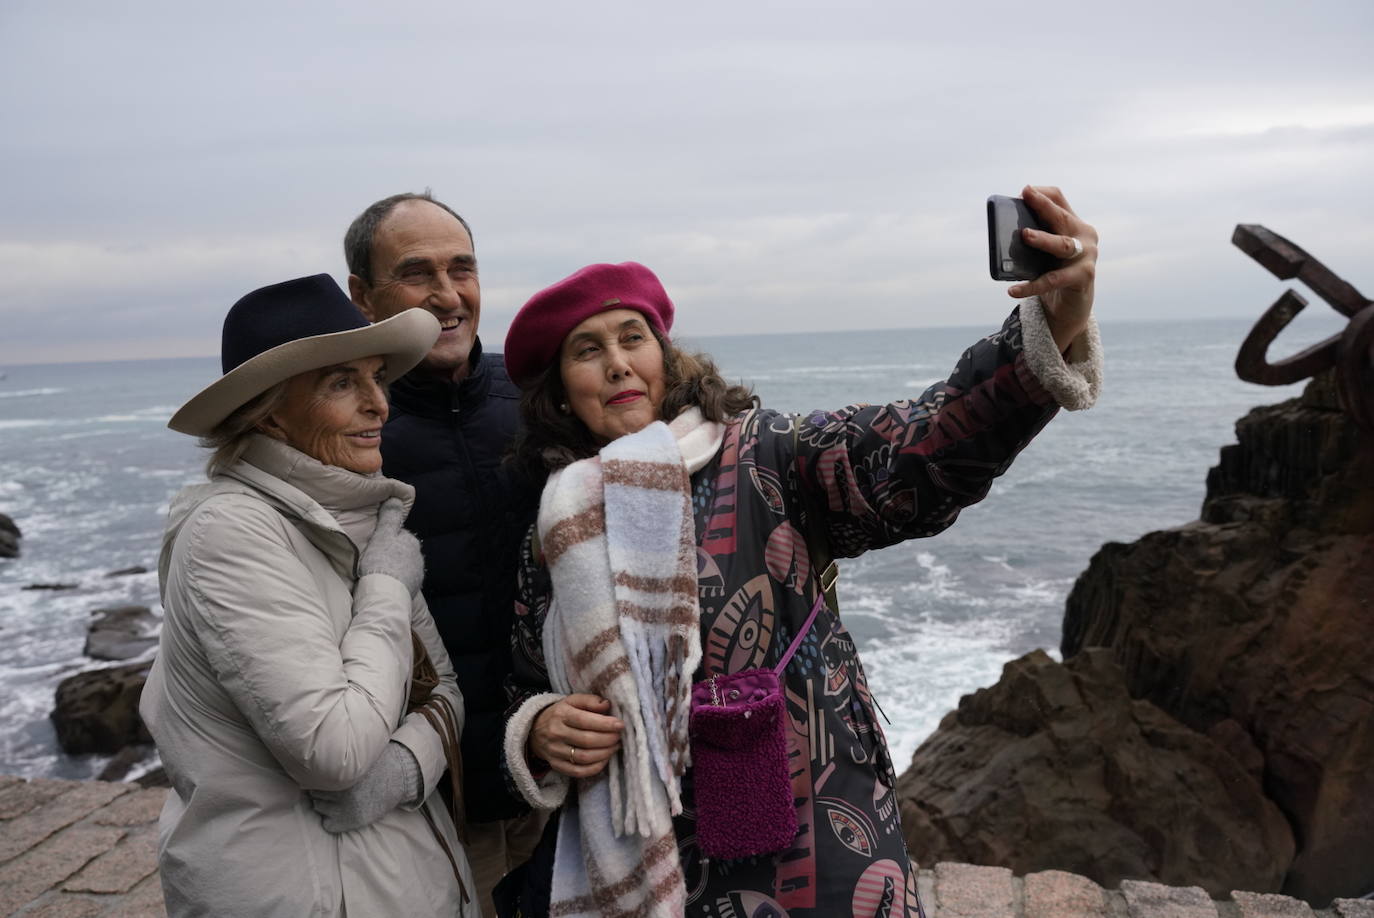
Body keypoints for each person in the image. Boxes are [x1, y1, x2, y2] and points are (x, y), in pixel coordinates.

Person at [499, 187, 1103, 917]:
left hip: (814, 831)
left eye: (633, 338)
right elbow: (528, 676)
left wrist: (1053, 323)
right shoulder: (558, 519)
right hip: (645, 855)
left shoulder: (766, 453)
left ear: (666, 356)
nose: (619, 364)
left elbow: (922, 448)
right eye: (588, 352)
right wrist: (538, 728)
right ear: (562, 392)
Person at [141, 274, 479, 917]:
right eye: (342, 383)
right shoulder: (230, 531)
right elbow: (336, 748)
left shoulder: (359, 516)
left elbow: (445, 694)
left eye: (377, 377)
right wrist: (384, 586)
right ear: (269, 411)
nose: (379, 404)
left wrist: (402, 771)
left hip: (400, 881)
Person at [343, 192, 542, 914]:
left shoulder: (536, 404)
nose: (448, 295)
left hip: (556, 774)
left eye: (463, 268)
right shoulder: (347, 434)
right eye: (417, 272)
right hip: (430, 797)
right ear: (362, 297)